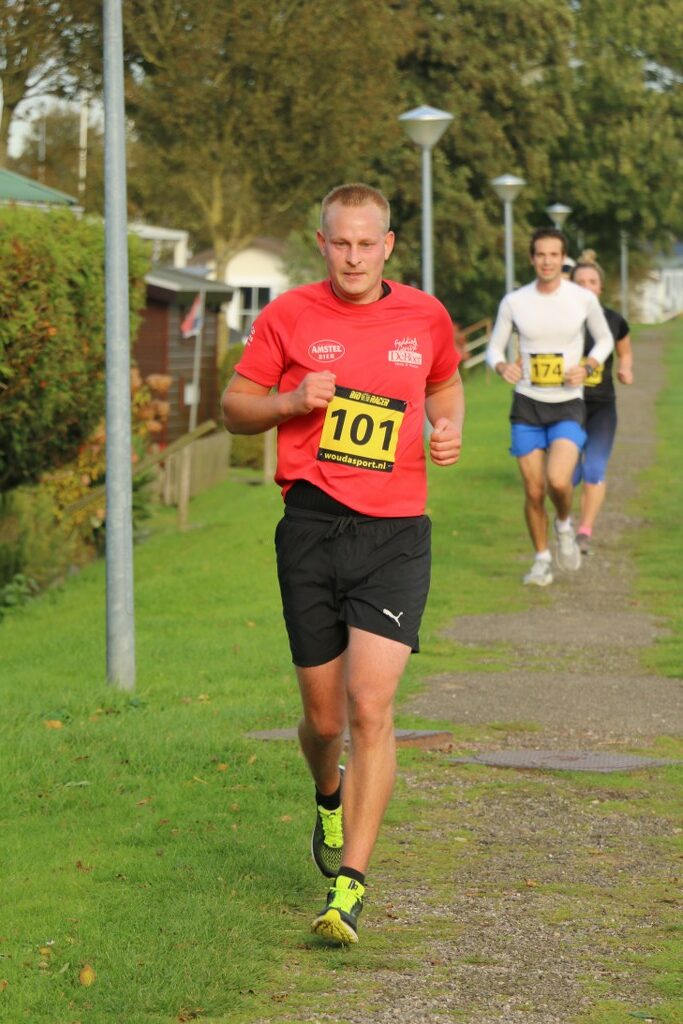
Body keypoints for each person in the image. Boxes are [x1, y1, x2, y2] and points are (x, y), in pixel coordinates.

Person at [221, 183, 464, 945]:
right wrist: (291, 401)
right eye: (341, 243)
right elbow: (234, 407)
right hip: (311, 529)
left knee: (369, 706)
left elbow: (445, 381)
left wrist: (446, 426)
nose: (354, 257)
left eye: (367, 243)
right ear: (322, 243)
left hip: (395, 535)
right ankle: (327, 790)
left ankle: (349, 885)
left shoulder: (424, 315)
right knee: (325, 721)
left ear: (387, 245)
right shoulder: (288, 315)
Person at [485, 227, 614, 586]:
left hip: (567, 403)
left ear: (562, 258)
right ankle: (541, 559)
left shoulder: (581, 299)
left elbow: (604, 339)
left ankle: (564, 524)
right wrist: (502, 366)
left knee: (558, 480)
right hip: (527, 405)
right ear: (532, 258)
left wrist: (588, 366)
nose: (547, 261)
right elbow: (494, 348)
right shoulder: (515, 301)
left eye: (553, 255)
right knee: (533, 490)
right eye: (540, 254)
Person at [571, 250, 633, 554]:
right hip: (565, 406)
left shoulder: (614, 321)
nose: (586, 287)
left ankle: (584, 532)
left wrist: (626, 368)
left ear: (600, 287)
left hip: (601, 407)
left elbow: (625, 352)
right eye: (579, 282)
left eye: (592, 282)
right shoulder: (559, 319)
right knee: (568, 475)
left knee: (594, 469)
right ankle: (562, 524)